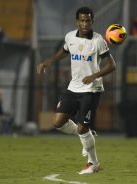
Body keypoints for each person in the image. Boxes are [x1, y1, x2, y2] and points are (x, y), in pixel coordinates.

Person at [37, 6, 116, 174]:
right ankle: (87, 134)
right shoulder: (70, 37)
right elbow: (64, 51)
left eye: (88, 20)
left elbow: (112, 65)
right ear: (77, 22)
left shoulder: (98, 41)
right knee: (57, 123)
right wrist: (47, 62)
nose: (85, 23)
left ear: (92, 21)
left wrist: (94, 75)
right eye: (82, 20)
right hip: (73, 88)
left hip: (92, 90)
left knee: (81, 128)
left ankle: (93, 164)